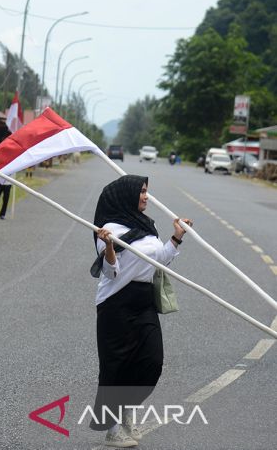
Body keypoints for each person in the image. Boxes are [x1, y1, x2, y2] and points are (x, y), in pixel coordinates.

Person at [90, 175, 192, 447]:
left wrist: (176, 238)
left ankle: (124, 410)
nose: (146, 196)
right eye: (142, 192)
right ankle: (112, 429)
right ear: (127, 195)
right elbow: (111, 273)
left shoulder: (145, 226)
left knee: (151, 363)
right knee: (116, 368)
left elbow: (158, 260)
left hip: (144, 302)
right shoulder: (109, 229)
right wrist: (109, 246)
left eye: (147, 192)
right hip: (115, 304)